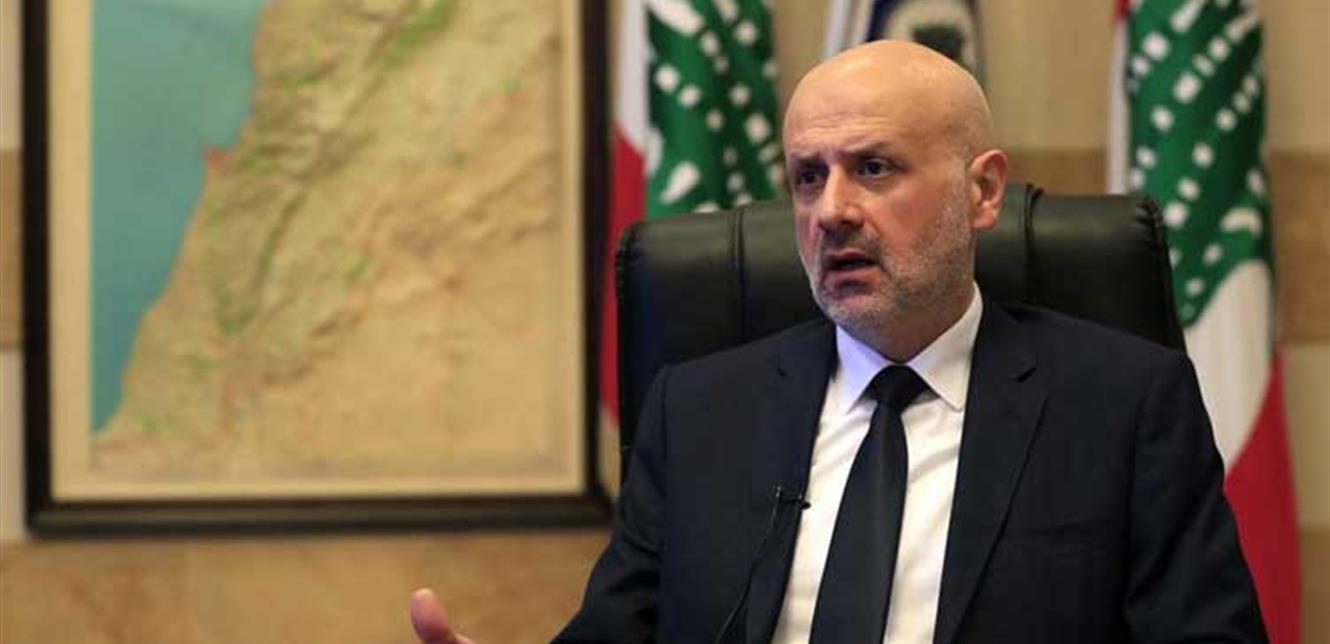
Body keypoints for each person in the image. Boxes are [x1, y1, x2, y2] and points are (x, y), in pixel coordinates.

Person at [410, 40, 1266, 644]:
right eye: (808, 176)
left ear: (983, 192)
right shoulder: (700, 412)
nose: (831, 212)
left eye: (874, 168)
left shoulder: (1123, 404)